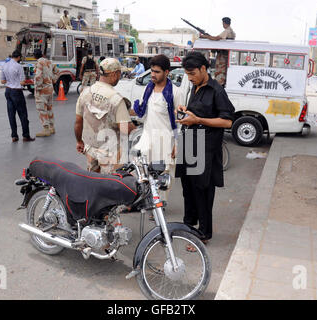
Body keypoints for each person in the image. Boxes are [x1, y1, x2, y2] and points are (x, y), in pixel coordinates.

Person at [176, 51, 235, 250]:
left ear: (203, 69)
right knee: (188, 189)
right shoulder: (195, 87)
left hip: (205, 148)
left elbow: (227, 121)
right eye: (187, 74)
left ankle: (203, 233)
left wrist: (198, 120)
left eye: (192, 73)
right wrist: (187, 112)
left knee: (202, 192)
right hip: (189, 144)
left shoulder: (216, 91)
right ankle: (189, 225)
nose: (190, 78)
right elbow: (196, 112)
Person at [132, 54, 181, 204]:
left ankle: (159, 205)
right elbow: (143, 112)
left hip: (166, 139)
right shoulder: (148, 88)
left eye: (157, 72)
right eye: (152, 71)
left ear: (167, 72)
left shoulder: (175, 92)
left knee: (163, 173)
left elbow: (180, 121)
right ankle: (145, 199)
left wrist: (176, 144)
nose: (153, 74)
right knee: (139, 166)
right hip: (147, 135)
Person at [75, 58, 135, 174]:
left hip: (90, 150)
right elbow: (125, 128)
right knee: (112, 186)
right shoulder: (116, 99)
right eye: (119, 73)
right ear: (114, 74)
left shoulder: (86, 93)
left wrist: (79, 142)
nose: (120, 76)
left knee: (94, 183)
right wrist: (139, 133)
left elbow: (78, 121)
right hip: (110, 154)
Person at [1, 50, 35, 143]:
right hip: (16, 92)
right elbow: (22, 82)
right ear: (19, 57)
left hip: (8, 91)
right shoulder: (19, 66)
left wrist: (10, 81)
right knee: (23, 114)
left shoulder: (4, 65)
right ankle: (26, 135)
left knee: (11, 115)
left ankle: (14, 136)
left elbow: (2, 81)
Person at [200, 17, 236, 86]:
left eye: (223, 23)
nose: (222, 25)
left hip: (222, 55)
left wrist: (206, 36)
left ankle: (220, 84)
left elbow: (216, 38)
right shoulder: (232, 32)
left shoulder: (227, 31)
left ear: (225, 23)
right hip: (226, 54)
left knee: (220, 71)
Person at [33, 49, 60, 137]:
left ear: (34, 56)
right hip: (49, 88)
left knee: (42, 109)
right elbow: (57, 71)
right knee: (49, 108)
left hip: (42, 90)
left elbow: (38, 76)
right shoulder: (49, 62)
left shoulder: (39, 63)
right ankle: (52, 127)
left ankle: (46, 129)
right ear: (42, 54)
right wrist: (53, 80)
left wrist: (38, 87)